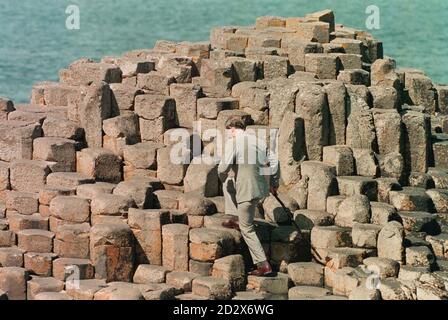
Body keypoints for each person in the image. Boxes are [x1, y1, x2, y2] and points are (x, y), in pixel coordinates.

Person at [217, 117, 279, 277]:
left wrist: (221, 174)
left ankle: (263, 264)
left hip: (247, 190)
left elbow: (223, 167)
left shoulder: (234, 142)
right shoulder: (258, 141)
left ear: (231, 128)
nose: (229, 137)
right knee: (230, 182)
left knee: (247, 228)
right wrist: (273, 183)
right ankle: (237, 217)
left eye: (228, 133)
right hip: (260, 188)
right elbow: (274, 162)